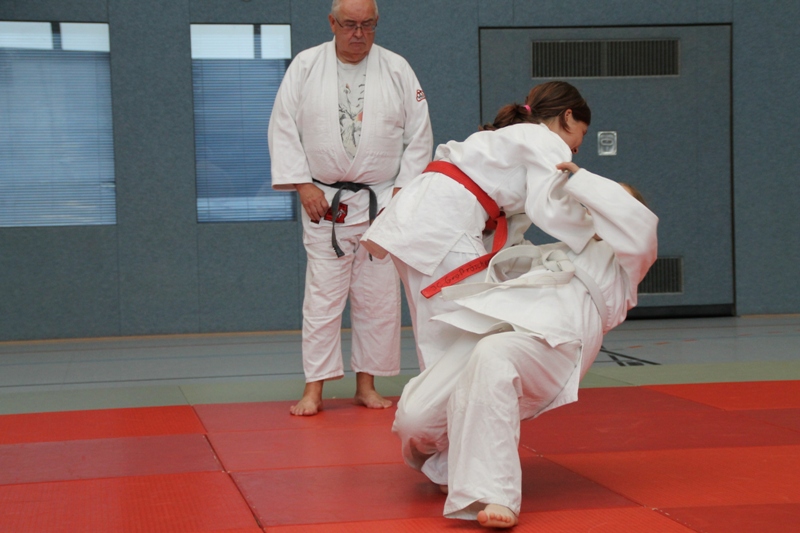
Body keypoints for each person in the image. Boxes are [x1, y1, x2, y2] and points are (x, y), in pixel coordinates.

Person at [392, 168, 659, 528]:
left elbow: (637, 226)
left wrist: (580, 179)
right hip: (497, 325)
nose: (597, 209)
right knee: (416, 418)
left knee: (494, 357)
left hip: (557, 338)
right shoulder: (555, 249)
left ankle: (493, 493)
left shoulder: (627, 261)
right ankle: (449, 466)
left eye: (610, 203)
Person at [268, 0, 433, 416]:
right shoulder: (306, 66)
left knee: (378, 298)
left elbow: (419, 135)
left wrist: (401, 196)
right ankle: (314, 389)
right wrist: (303, 184)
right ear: (332, 23)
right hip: (325, 203)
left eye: (367, 25)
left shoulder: (397, 68)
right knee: (322, 299)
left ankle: (366, 385)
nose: (358, 33)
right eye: (349, 24)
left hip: (382, 202)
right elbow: (282, 126)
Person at [362, 81, 595, 370]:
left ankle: (439, 395)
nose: (577, 147)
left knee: (440, 330)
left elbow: (513, 232)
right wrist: (595, 230)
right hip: (442, 223)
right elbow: (551, 206)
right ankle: (456, 395)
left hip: (423, 219)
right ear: (568, 116)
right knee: (467, 326)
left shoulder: (512, 138)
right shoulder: (545, 140)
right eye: (583, 133)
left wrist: (537, 261)